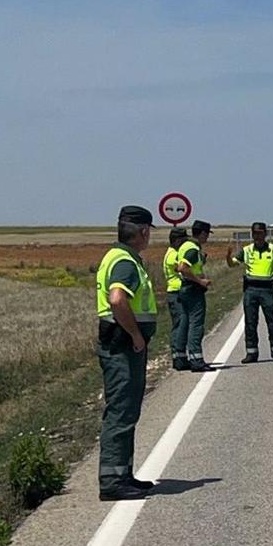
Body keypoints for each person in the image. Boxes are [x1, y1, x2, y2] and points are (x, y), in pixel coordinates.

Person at [96, 206, 159, 501]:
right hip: (122, 345)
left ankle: (123, 474)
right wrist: (136, 335)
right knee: (122, 410)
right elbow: (118, 299)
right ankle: (112, 480)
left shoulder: (119, 256)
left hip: (120, 344)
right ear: (143, 231)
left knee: (126, 409)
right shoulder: (125, 262)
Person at [226, 221, 273, 363]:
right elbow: (233, 264)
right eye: (255, 233)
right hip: (251, 289)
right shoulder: (247, 250)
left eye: (260, 233)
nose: (257, 236)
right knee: (250, 322)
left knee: (272, 321)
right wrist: (228, 257)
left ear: (265, 233)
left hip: (268, 289)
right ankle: (251, 352)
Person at [172, 219, 214, 372]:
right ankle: (196, 359)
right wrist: (200, 281)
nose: (207, 238)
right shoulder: (192, 248)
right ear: (202, 233)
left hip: (185, 288)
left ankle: (181, 357)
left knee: (185, 323)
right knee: (196, 324)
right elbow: (183, 268)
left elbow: (178, 266)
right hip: (193, 289)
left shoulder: (185, 246)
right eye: (207, 234)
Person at [162, 227, 189, 370]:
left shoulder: (171, 253)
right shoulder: (173, 255)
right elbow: (182, 268)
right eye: (183, 240)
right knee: (180, 324)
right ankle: (178, 357)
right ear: (177, 240)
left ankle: (179, 356)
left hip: (175, 292)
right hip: (176, 292)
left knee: (179, 323)